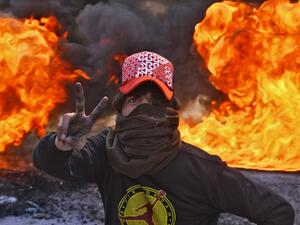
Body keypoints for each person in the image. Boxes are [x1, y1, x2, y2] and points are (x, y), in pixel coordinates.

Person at [33, 51, 295, 225]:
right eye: (135, 100)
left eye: (154, 101)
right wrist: (61, 144)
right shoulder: (104, 149)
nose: (144, 109)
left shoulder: (202, 170)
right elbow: (49, 162)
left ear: (169, 109)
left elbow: (279, 213)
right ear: (120, 106)